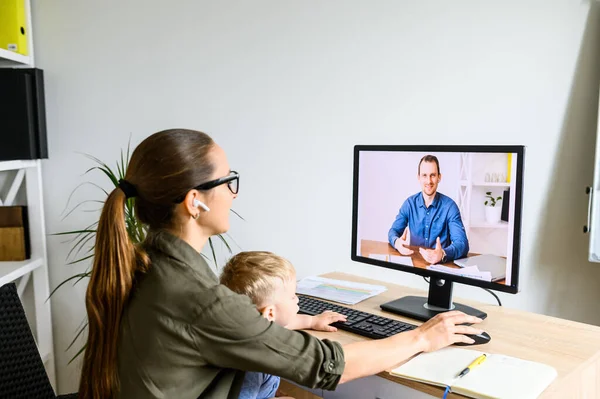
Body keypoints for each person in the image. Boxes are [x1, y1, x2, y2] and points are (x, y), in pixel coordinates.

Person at [78, 129, 484, 399]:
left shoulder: (146, 265)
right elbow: (328, 366)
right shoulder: (198, 298)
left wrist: (304, 321)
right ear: (195, 201)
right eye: (227, 181)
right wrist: (422, 338)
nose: (234, 193)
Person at [220, 251, 346, 399]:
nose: (297, 299)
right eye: (292, 296)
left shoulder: (243, 329)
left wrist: (312, 321)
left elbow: (285, 324)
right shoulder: (252, 365)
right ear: (270, 314)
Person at [388, 155, 469, 264]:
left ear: (439, 177)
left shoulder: (450, 207)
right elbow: (393, 231)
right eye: (424, 175)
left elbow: (462, 244)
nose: (428, 181)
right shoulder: (409, 204)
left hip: (441, 268)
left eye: (433, 175)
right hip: (415, 265)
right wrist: (397, 242)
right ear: (419, 177)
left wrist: (443, 253)